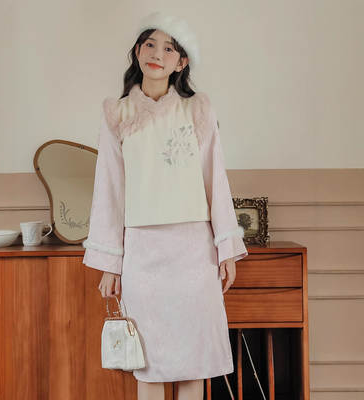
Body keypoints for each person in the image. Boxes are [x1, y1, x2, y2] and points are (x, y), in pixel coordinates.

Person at [82, 11, 248, 400]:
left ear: (181, 62)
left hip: (194, 251)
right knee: (149, 364)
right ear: (138, 51)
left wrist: (226, 250)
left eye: (169, 48)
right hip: (143, 255)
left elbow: (215, 180)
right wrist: (111, 262)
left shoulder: (198, 109)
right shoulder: (117, 113)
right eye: (150, 44)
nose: (157, 53)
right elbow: (109, 189)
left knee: (194, 364)